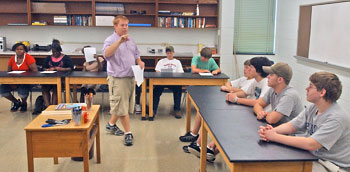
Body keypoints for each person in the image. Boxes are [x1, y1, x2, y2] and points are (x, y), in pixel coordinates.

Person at [259, 72, 350, 172]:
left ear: (322, 92)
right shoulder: (313, 107)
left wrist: (274, 136)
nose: (306, 89)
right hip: (313, 156)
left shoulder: (336, 118)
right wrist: (271, 131)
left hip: (331, 165)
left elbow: (311, 144)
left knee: (283, 168)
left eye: (310, 87)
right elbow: (292, 126)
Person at [180, 57, 271, 144]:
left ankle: (203, 145)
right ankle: (198, 141)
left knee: (217, 118)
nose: (249, 69)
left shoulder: (266, 83)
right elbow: (243, 93)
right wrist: (232, 95)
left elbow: (258, 102)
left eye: (251, 67)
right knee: (205, 111)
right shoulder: (256, 81)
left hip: (257, 115)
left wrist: (236, 99)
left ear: (258, 70)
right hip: (249, 109)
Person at [103, 15, 145, 146]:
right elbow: (106, 54)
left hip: (130, 77)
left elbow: (136, 54)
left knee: (123, 104)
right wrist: (119, 42)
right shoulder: (110, 40)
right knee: (122, 108)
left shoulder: (131, 40)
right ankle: (128, 133)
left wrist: (139, 62)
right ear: (115, 26)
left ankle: (110, 125)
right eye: (122, 25)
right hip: (118, 78)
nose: (125, 28)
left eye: (127, 25)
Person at [0, 43, 38, 112]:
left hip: (26, 80)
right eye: (17, 49)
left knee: (22, 91)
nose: (19, 51)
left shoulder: (29, 58)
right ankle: (16, 102)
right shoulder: (12, 59)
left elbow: (35, 71)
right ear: (15, 50)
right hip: (14, 80)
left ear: (24, 50)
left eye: (21, 49)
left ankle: (24, 103)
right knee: (3, 90)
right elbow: (8, 71)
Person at [153, 45, 184, 119]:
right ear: (166, 53)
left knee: (178, 89)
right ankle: (153, 110)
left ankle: (177, 109)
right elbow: (157, 71)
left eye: (171, 53)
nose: (169, 55)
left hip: (173, 81)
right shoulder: (161, 61)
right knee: (156, 91)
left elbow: (180, 72)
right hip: (162, 81)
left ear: (173, 53)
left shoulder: (177, 62)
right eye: (168, 53)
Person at [42, 39, 74, 107]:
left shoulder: (66, 58)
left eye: (56, 52)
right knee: (44, 87)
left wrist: (61, 69)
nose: (55, 53)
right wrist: (48, 69)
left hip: (61, 79)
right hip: (49, 79)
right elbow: (43, 67)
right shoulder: (48, 58)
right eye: (53, 52)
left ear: (60, 51)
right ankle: (47, 106)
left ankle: (53, 106)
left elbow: (71, 68)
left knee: (56, 87)